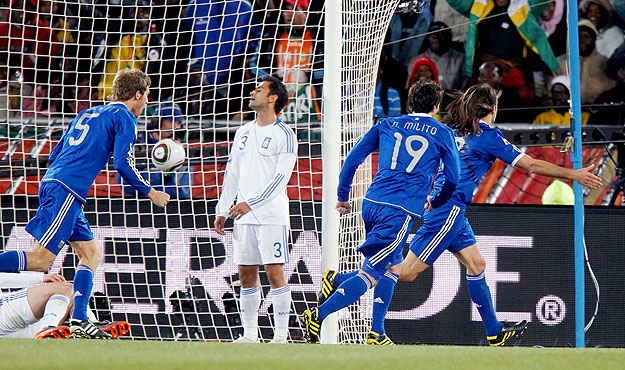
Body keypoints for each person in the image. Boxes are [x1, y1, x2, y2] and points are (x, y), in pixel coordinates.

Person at [392, 84, 600, 346]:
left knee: (477, 264)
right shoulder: (487, 135)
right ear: (493, 108)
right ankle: (346, 281)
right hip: (447, 212)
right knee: (408, 272)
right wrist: (575, 175)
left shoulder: (456, 129)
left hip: (450, 208)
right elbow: (532, 164)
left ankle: (494, 331)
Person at [0, 69, 170, 339]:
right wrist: (150, 191)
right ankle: (77, 317)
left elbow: (54, 153)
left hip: (63, 187)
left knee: (91, 254)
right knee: (39, 260)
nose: (147, 101)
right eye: (147, 95)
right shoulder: (125, 117)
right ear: (137, 94)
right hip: (66, 189)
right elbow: (123, 164)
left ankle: (79, 318)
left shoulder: (88, 113)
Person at [301, 80, 461, 344]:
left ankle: (376, 332)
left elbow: (353, 157)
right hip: (398, 211)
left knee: (394, 266)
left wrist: (342, 196)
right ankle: (318, 315)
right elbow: (453, 178)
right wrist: (437, 199)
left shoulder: (386, 124)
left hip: (372, 202)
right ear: (436, 106)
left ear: (410, 103)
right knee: (371, 274)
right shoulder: (442, 132)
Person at [214, 75, 295, 344]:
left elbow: (280, 179)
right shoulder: (243, 132)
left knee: (274, 273)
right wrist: (222, 209)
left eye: (259, 90)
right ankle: (250, 335)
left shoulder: (285, 134)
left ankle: (281, 336)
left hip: (271, 215)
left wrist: (252, 203)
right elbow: (232, 172)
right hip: (242, 215)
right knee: (245, 274)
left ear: (273, 98)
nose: (253, 92)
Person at [0, 272, 131, 339]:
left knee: (67, 296)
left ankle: (90, 326)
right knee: (68, 289)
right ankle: (90, 324)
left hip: (12, 334)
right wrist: (40, 278)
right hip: (3, 314)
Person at [116, 101, 192, 199]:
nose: (175, 127)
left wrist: (144, 185)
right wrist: (163, 178)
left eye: (178, 123)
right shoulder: (135, 145)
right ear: (158, 121)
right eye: (171, 121)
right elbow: (124, 184)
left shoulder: (180, 151)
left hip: (171, 206)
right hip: (135, 205)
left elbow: (183, 191)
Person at [556, 20, 615, 104]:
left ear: (593, 38)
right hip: (567, 114)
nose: (582, 40)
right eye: (578, 36)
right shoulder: (560, 63)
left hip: (597, 112)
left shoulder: (605, 62)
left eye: (586, 36)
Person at [0, 272, 72, 339]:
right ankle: (47, 328)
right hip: (4, 315)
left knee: (70, 298)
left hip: (9, 330)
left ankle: (47, 331)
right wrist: (41, 278)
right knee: (66, 289)